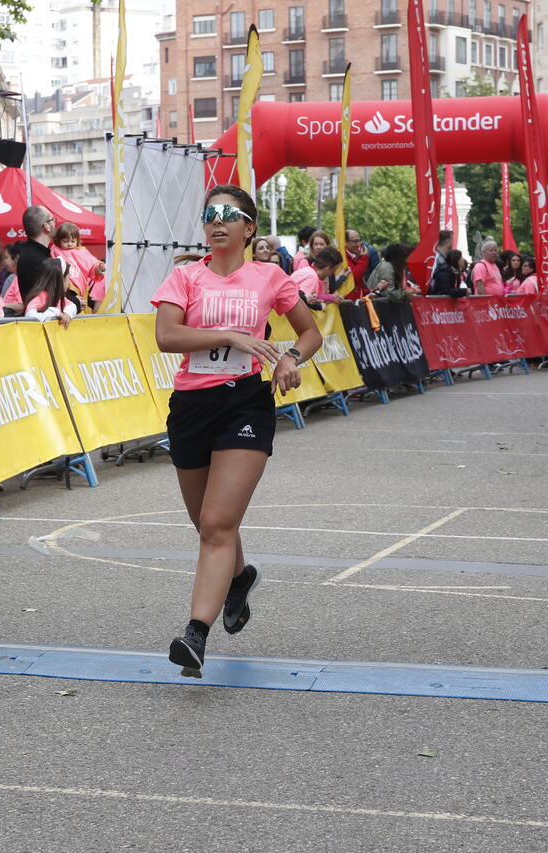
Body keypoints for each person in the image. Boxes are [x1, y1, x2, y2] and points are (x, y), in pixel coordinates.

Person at [150, 184, 322, 678]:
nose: (217, 222)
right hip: (191, 406)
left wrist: (289, 359)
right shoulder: (184, 277)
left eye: (228, 214)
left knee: (217, 523)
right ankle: (239, 579)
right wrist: (230, 336)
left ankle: (195, 635)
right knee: (208, 524)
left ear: (249, 228)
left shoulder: (270, 276)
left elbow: (310, 332)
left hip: (245, 404)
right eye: (210, 215)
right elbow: (167, 336)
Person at [50, 222, 106, 308]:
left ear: (77, 240)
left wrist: (99, 266)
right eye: (65, 241)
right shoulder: (55, 250)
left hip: (79, 285)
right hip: (64, 286)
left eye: (73, 241)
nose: (69, 244)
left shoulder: (81, 252)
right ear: (58, 240)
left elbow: (92, 263)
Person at [23, 257, 81, 328]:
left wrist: (67, 313)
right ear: (61, 280)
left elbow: (72, 306)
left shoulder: (59, 297)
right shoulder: (40, 297)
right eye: (68, 278)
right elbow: (30, 315)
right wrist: (56, 313)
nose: (69, 283)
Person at [15, 205, 57, 299]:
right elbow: (52, 296)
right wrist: (76, 301)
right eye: (53, 219)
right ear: (46, 226)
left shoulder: (33, 253)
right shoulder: (36, 259)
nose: (55, 223)